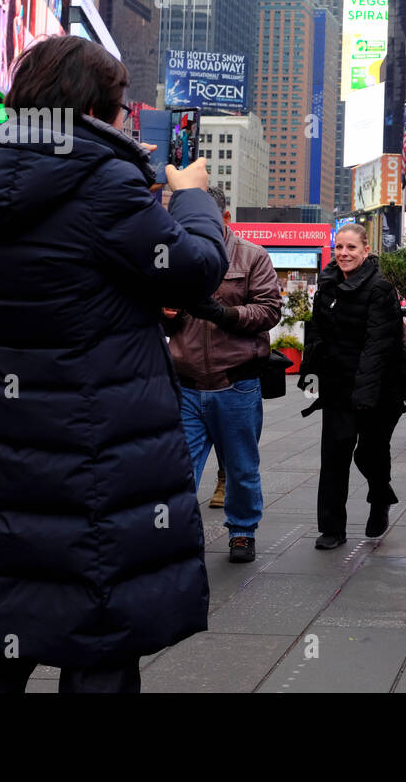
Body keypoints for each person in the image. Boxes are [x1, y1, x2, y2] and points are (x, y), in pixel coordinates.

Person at [0, 34, 228, 693]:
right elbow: (195, 271)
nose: (128, 115)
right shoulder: (104, 184)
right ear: (97, 107)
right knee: (102, 633)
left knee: (5, 629)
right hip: (101, 445)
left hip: (9, 444)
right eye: (121, 104)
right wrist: (188, 196)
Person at [163, 187, 282, 564]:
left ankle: (243, 531)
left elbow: (268, 311)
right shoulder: (174, 257)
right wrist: (167, 313)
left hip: (237, 381)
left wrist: (224, 314)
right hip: (185, 382)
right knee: (177, 468)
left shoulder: (251, 255)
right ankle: (175, 534)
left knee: (241, 466)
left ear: (224, 219)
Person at [299, 224, 406, 550]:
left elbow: (378, 347)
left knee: (370, 453)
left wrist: (364, 397)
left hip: (378, 388)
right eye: (340, 248)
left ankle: (380, 496)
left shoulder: (380, 288)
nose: (344, 254)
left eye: (351, 248)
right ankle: (332, 528)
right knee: (334, 457)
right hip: (336, 385)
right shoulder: (328, 284)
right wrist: (311, 378)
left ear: (365, 250)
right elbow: (316, 334)